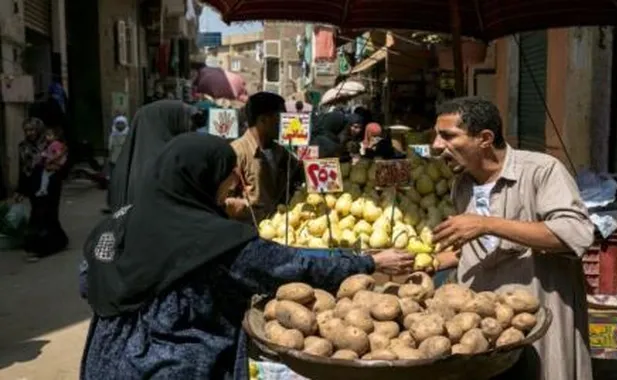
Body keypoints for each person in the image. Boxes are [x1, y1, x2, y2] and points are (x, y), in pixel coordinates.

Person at [79, 134, 414, 379]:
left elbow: (87, 283)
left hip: (104, 362)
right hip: (174, 367)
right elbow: (291, 265)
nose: (234, 185)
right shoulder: (211, 241)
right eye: (227, 175)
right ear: (202, 178)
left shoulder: (114, 225)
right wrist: (367, 261)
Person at [430, 97, 594, 380]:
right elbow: (483, 249)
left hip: (535, 318)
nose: (436, 145)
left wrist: (487, 224)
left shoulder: (541, 171)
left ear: (484, 138)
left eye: (447, 136)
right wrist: (432, 262)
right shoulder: (463, 184)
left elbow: (575, 233)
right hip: (483, 330)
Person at [223, 92, 302, 224]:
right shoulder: (237, 152)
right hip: (249, 233)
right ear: (263, 120)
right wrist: (244, 206)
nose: (285, 124)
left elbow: (302, 173)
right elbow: (223, 199)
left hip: (278, 230)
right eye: (280, 118)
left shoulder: (280, 151)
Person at [108, 100, 197, 211]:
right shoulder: (167, 161)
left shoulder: (126, 163)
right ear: (167, 122)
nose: (191, 125)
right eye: (183, 119)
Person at [14, 118, 68, 261]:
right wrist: (20, 190)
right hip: (33, 184)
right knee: (38, 213)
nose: (30, 133)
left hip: (50, 182)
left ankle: (44, 247)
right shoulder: (23, 146)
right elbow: (23, 168)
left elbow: (62, 159)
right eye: (27, 130)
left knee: (47, 213)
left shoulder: (49, 143)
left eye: (32, 129)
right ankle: (55, 241)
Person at [35, 126, 68, 197]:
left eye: (49, 135)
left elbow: (58, 154)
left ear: (55, 136)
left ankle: (43, 189)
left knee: (45, 175)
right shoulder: (51, 144)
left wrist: (49, 159)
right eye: (46, 135)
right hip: (53, 165)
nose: (47, 137)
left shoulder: (55, 144)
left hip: (54, 164)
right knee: (46, 175)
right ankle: (43, 189)